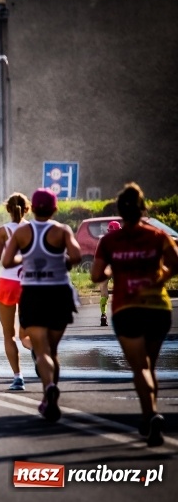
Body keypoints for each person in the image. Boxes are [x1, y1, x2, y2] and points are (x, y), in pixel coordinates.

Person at [90, 183, 178, 447]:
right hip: (157, 308)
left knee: (140, 367)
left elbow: (96, 275)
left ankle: (150, 414)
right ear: (143, 209)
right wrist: (160, 277)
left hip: (127, 308)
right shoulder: (158, 236)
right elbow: (175, 262)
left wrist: (111, 272)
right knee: (149, 364)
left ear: (120, 210)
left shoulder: (109, 241)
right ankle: (150, 414)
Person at [3, 189, 81, 422]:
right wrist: (61, 261)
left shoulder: (23, 232)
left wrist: (24, 258)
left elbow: (6, 261)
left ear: (33, 208)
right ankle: (50, 392)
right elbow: (77, 256)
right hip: (59, 293)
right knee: (53, 350)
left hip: (34, 294)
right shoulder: (62, 230)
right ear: (55, 208)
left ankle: (48, 391)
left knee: (41, 351)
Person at [0, 193, 33, 391]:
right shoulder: (34, 229)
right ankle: (37, 351)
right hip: (30, 283)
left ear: (8, 209)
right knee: (27, 334)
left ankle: (18, 377)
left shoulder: (3, 231)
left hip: (7, 283)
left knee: (9, 334)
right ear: (27, 209)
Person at [98, 220, 121, 326]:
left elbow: (97, 257)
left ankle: (103, 314)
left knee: (103, 291)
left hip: (105, 267)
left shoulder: (103, 240)